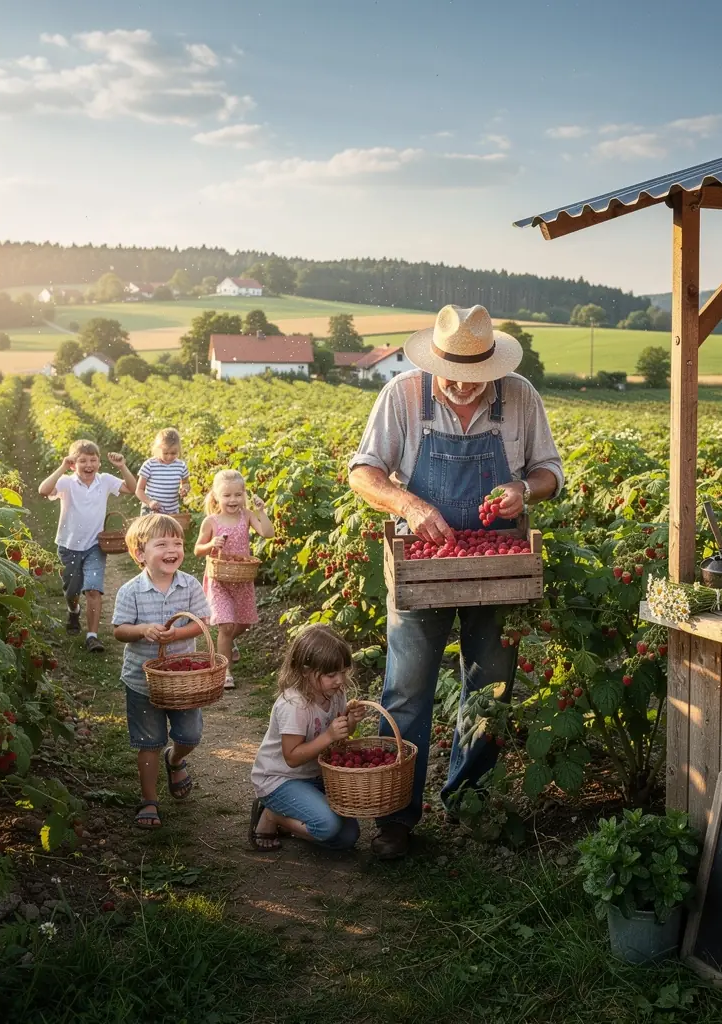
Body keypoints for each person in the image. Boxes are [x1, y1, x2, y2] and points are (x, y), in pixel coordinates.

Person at [349, 304, 563, 858]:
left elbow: (550, 472)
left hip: (498, 568)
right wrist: (407, 503)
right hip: (423, 566)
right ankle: (395, 818)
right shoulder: (401, 396)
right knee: (407, 686)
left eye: (478, 379)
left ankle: (469, 801)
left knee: (489, 685)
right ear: (433, 361)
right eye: (455, 377)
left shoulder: (520, 397)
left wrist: (524, 491)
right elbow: (364, 472)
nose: (466, 388)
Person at [112, 514, 212, 830]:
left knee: (190, 734)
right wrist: (143, 630)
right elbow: (119, 630)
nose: (173, 549)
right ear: (141, 554)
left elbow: (201, 622)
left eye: (178, 543)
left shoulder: (190, 584)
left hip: (184, 681)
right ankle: (149, 799)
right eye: (162, 544)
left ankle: (176, 759)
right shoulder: (131, 591)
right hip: (142, 681)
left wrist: (177, 635)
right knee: (148, 740)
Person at [249, 624, 366, 852]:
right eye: (331, 674)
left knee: (348, 837)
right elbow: (291, 757)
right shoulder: (294, 705)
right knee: (328, 825)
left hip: (314, 776)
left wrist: (350, 722)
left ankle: (294, 820)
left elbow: (339, 737)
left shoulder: (335, 694)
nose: (340, 680)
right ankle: (272, 815)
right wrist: (329, 735)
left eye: (343, 672)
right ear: (304, 670)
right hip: (279, 780)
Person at [38, 438, 137, 653]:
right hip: (69, 545)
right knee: (71, 590)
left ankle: (92, 636)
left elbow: (133, 488)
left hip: (95, 546)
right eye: (82, 461)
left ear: (99, 463)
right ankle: (73, 611)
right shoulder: (66, 482)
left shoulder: (105, 480)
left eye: (93, 460)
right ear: (74, 464)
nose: (88, 465)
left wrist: (122, 466)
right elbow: (43, 490)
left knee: (93, 589)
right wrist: (63, 467)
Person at [193, 468, 275, 689]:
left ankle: (228, 642)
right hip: (219, 580)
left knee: (244, 623)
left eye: (238, 495)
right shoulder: (211, 522)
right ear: (217, 496)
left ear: (244, 495)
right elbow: (197, 549)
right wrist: (211, 544)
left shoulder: (246, 516)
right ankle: (225, 670)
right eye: (227, 495)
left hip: (242, 579)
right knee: (226, 625)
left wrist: (262, 511)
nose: (233, 500)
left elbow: (268, 533)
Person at [135, 427, 191, 515]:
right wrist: (150, 502)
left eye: (173, 453)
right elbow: (139, 490)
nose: (169, 457)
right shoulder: (149, 465)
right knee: (150, 529)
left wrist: (185, 489)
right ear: (158, 449)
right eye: (165, 453)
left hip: (171, 512)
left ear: (179, 450)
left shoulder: (181, 466)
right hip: (151, 512)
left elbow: (186, 483)